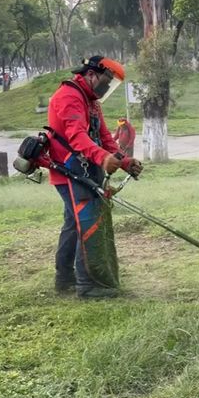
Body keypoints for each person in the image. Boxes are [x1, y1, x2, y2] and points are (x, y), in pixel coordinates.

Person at [48, 55, 143, 298]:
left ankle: (65, 279)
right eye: (105, 81)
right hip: (70, 172)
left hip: (83, 169)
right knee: (88, 224)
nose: (106, 87)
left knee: (73, 224)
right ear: (91, 74)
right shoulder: (70, 96)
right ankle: (89, 286)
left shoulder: (91, 101)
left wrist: (123, 161)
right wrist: (102, 158)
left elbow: (105, 137)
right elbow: (77, 137)